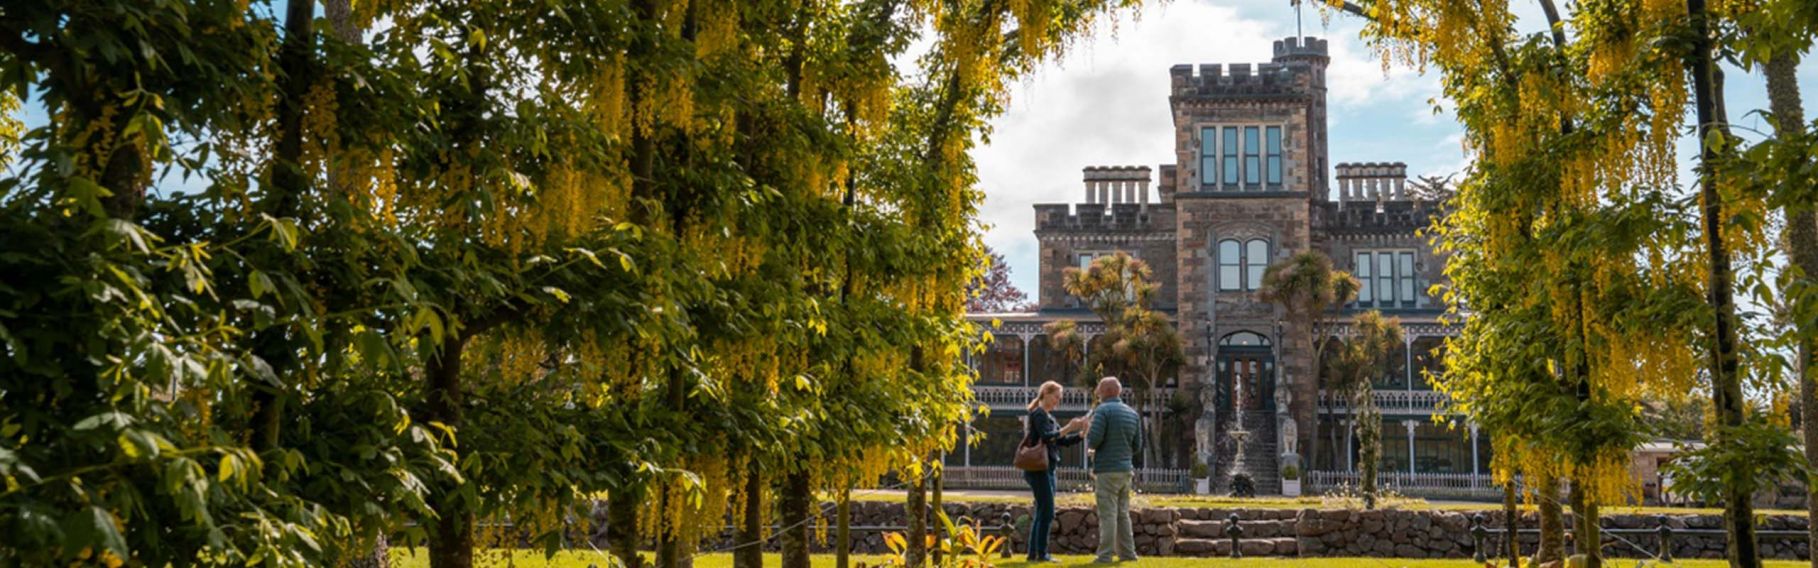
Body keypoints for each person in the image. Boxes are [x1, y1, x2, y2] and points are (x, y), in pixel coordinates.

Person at [1022, 381, 1088, 563]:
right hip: (1038, 469)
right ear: (1046, 394)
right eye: (1057, 396)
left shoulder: (1049, 417)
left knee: (1043, 511)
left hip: (1048, 468)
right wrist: (1069, 427)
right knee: (1048, 511)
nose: (1059, 401)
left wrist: (1081, 434)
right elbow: (1047, 436)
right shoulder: (1038, 414)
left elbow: (1061, 441)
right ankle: (1041, 554)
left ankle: (1034, 554)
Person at [1086, 376, 1141, 563]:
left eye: (1099, 390)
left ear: (1107, 391)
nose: (1098, 394)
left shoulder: (1103, 411)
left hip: (1107, 469)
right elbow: (1138, 445)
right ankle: (1128, 553)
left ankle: (1105, 555)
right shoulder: (1132, 413)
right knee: (1123, 514)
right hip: (1125, 469)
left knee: (1108, 514)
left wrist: (1088, 430)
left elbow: (1094, 440)